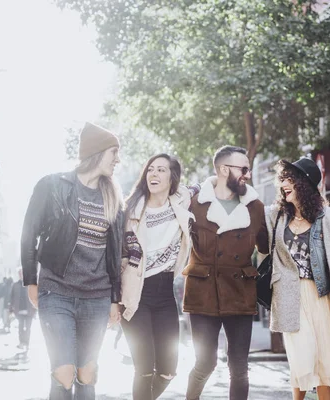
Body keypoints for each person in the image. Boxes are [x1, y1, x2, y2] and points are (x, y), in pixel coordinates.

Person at [21, 122, 124, 400]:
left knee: (87, 373)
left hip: (97, 297)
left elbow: (115, 253)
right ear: (98, 152)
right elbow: (29, 233)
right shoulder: (52, 185)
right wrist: (30, 281)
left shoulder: (113, 196)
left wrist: (115, 298)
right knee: (63, 373)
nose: (118, 159)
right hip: (57, 292)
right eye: (114, 152)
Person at [265, 157, 330, 400]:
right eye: (282, 179)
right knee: (301, 357)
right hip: (290, 297)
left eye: (290, 179)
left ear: (304, 184)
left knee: (324, 361)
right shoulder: (276, 217)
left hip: (322, 297)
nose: (284, 184)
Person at [183, 145, 268, 400]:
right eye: (243, 169)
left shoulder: (255, 207)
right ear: (223, 169)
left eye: (248, 169)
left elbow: (265, 246)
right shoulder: (194, 203)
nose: (248, 175)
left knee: (239, 368)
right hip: (202, 292)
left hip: (240, 292)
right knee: (205, 363)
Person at [119, 154, 195, 400]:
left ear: (172, 177)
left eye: (161, 170)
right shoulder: (130, 210)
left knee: (168, 370)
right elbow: (117, 253)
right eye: (150, 169)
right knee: (143, 369)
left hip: (165, 293)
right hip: (135, 293)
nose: (154, 174)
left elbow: (201, 186)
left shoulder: (181, 201)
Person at [10, 267, 36, 351]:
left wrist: (35, 309)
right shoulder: (15, 285)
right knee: (20, 328)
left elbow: (35, 297)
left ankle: (27, 343)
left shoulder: (31, 284)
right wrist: (11, 309)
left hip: (29, 310)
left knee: (28, 328)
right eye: (20, 273)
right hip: (19, 310)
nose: (21, 275)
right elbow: (11, 297)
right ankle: (21, 342)